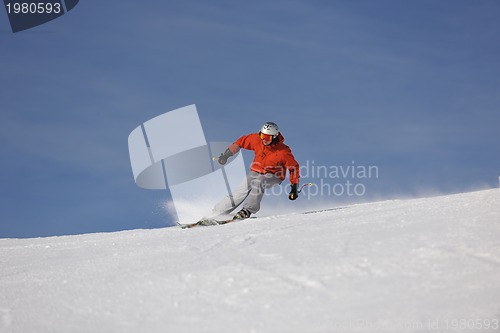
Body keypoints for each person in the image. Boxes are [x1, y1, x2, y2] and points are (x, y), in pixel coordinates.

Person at [215, 121, 300, 220]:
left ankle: (247, 210)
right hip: (256, 171)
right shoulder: (256, 139)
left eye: (268, 138)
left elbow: (294, 168)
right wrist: (226, 155)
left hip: (274, 176)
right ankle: (219, 210)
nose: (264, 140)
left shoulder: (283, 152)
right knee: (243, 187)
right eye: (262, 135)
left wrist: (294, 188)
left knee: (259, 182)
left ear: (275, 137)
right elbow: (240, 142)